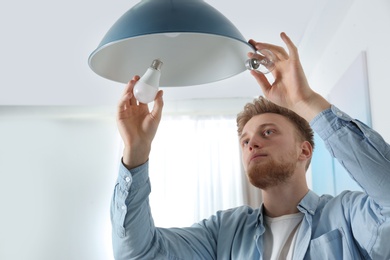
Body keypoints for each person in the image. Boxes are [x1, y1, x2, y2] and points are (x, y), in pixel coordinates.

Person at [111, 32, 390, 259]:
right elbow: (138, 253)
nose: (252, 143)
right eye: (245, 140)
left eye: (268, 132)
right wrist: (136, 153)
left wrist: (306, 102)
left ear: (304, 151)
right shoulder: (224, 232)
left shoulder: (347, 216)